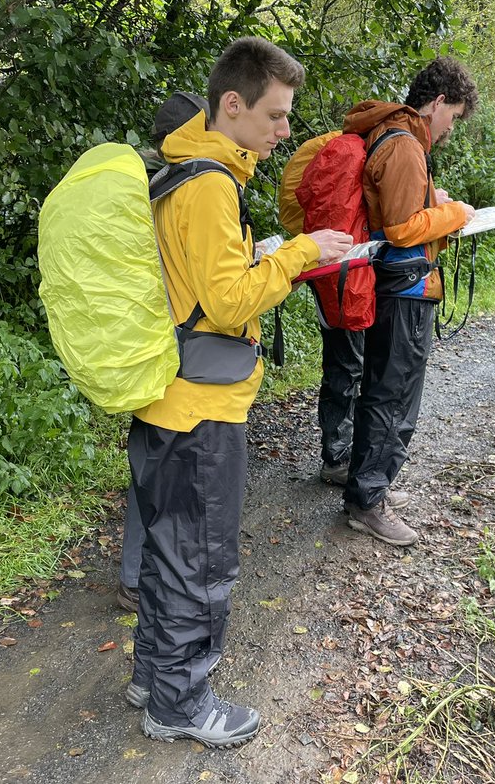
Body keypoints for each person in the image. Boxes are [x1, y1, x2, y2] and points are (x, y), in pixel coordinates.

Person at [127, 37, 352, 748]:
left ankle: (154, 675)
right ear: (233, 105)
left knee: (169, 551)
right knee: (201, 563)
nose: (286, 131)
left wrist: (263, 255)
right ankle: (181, 705)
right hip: (202, 411)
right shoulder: (211, 185)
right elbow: (227, 304)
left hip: (167, 401)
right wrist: (300, 251)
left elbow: (200, 280)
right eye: (278, 116)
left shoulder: (183, 171)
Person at [329, 57, 478, 547]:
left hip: (397, 283)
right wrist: (455, 214)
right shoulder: (405, 145)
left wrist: (439, 209)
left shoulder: (392, 136)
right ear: (437, 103)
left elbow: (406, 215)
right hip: (406, 287)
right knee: (392, 395)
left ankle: (370, 486)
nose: (451, 128)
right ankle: (367, 500)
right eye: (453, 116)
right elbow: (400, 229)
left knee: (384, 388)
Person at [116, 91, 212, 615]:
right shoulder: (179, 184)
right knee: (161, 469)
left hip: (143, 340)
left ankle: (136, 576)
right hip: (170, 345)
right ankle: (139, 579)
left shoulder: (143, 186)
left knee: (147, 462)